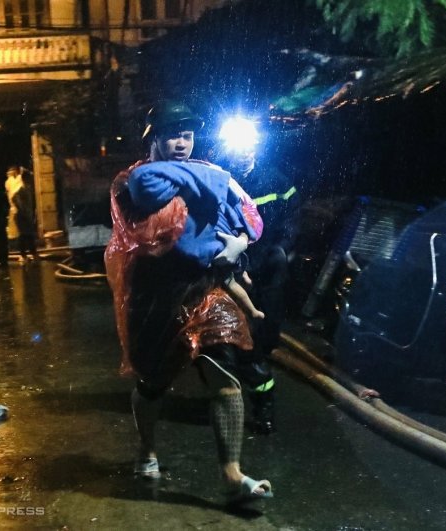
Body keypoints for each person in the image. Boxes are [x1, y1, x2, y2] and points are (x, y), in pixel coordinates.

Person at [104, 99, 273, 502]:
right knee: (153, 383)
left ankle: (232, 476)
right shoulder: (130, 180)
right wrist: (214, 179)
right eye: (172, 135)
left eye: (188, 135)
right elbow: (147, 195)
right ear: (155, 138)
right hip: (155, 297)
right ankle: (146, 449)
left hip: (203, 289)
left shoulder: (201, 172)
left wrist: (240, 243)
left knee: (226, 381)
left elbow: (248, 214)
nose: (182, 142)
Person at [219, 137, 301, 435]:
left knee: (266, 329)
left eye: (247, 147)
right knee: (240, 338)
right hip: (235, 268)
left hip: (268, 266)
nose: (242, 154)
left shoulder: (277, 180)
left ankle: (261, 381)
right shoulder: (221, 180)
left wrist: (281, 251)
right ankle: (246, 396)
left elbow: (292, 219)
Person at [8, 166, 39, 262]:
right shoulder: (20, 188)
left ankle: (31, 253)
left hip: (25, 214)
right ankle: (24, 255)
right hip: (21, 215)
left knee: (28, 234)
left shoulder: (26, 188)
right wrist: (20, 208)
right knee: (23, 235)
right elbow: (14, 198)